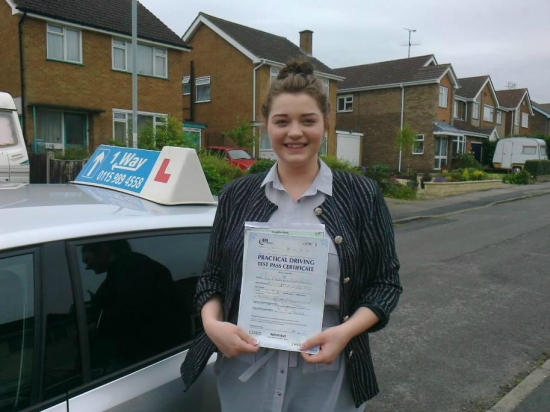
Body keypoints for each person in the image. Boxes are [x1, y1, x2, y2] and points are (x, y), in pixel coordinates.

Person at [180, 61, 402, 411]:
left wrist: (344, 333)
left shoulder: (362, 194)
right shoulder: (237, 195)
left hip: (327, 374)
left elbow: (385, 284)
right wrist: (212, 324)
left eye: (308, 121)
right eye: (282, 121)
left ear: (326, 124)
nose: (294, 132)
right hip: (246, 373)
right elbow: (212, 276)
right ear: (267, 126)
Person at [82, 240, 188, 372]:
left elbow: (128, 313)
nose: (87, 267)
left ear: (104, 249)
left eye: (87, 260)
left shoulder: (125, 269)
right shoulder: (144, 267)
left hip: (142, 362)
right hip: (165, 357)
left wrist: (97, 327)